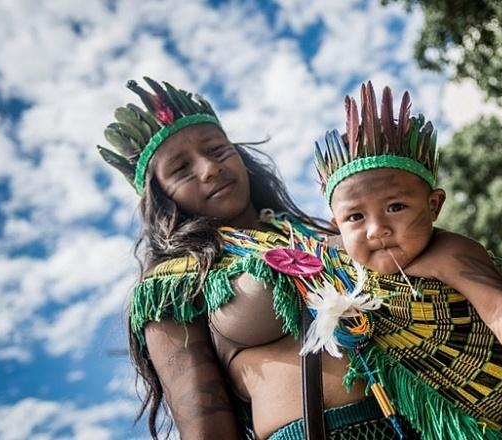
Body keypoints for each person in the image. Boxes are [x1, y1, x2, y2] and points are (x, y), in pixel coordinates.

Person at [98, 77, 418, 439]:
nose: (209, 169)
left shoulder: (331, 233)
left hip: (425, 423)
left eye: (217, 150)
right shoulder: (171, 287)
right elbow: (207, 428)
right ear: (161, 197)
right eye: (181, 170)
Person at [306, 82, 502, 439]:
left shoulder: (448, 252)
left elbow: (500, 307)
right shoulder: (346, 271)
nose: (377, 229)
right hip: (453, 425)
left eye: (395, 207)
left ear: (434, 205)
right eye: (355, 217)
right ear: (336, 226)